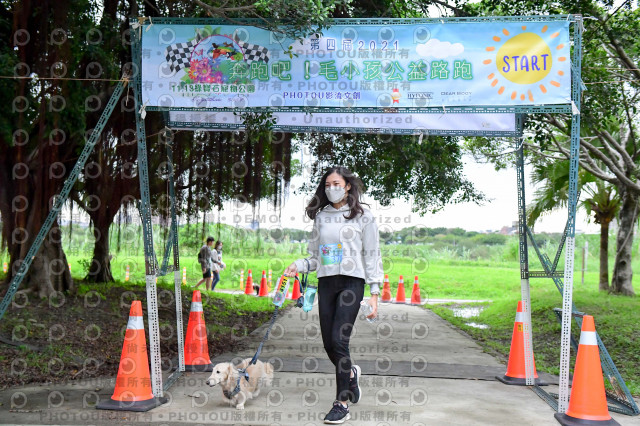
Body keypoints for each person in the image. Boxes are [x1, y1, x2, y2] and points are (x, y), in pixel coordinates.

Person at [284, 166, 383, 425]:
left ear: (348, 186)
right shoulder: (322, 217)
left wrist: (374, 293)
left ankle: (341, 403)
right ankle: (350, 374)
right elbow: (315, 257)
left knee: (340, 340)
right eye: (327, 185)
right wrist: (298, 264)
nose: (331, 189)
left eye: (336, 183)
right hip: (327, 283)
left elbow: (372, 254)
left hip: (352, 283)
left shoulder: (363, 216)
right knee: (329, 344)